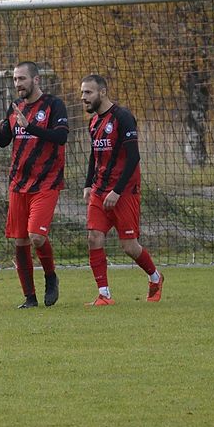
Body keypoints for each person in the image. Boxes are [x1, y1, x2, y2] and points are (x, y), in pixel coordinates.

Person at [0, 62, 68, 308]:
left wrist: (31, 127)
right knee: (20, 241)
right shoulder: (15, 106)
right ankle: (29, 297)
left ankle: (50, 277)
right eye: (15, 79)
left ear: (36, 80)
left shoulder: (54, 105)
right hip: (18, 183)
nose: (17, 83)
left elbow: (61, 136)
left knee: (36, 237)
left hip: (46, 181)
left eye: (22, 79)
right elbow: (5, 140)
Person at [79, 74, 163, 306]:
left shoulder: (123, 117)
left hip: (124, 191)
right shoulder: (93, 122)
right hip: (99, 190)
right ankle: (104, 295)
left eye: (88, 92)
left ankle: (155, 277)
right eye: (82, 93)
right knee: (94, 237)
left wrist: (116, 191)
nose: (83, 97)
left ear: (102, 92)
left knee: (129, 246)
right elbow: (94, 156)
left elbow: (134, 157)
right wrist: (88, 184)